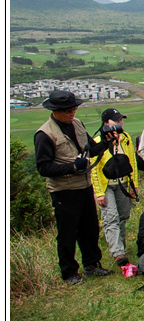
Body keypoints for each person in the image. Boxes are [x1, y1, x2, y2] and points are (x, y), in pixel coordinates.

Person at [35, 90, 114, 285]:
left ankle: (92, 264)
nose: (73, 114)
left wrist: (105, 142)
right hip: (63, 190)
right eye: (68, 111)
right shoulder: (44, 134)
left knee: (90, 228)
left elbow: (90, 149)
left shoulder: (77, 124)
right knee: (68, 232)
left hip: (84, 185)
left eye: (74, 109)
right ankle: (69, 272)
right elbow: (43, 167)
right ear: (56, 111)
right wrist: (71, 167)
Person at [91, 108, 139, 267]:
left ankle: (121, 246)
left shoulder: (125, 139)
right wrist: (98, 192)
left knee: (124, 215)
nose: (120, 123)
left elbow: (132, 162)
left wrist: (134, 184)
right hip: (106, 186)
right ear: (106, 124)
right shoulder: (97, 142)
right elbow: (94, 168)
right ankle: (118, 253)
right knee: (111, 217)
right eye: (116, 121)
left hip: (123, 182)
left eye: (121, 120)